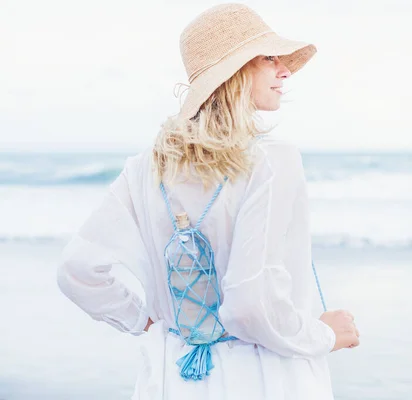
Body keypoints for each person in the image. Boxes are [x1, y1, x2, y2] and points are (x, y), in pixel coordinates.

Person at [57, 3, 359, 399]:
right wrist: (324, 334)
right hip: (264, 379)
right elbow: (251, 305)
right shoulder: (271, 160)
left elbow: (76, 271)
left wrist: (150, 323)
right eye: (269, 58)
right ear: (234, 72)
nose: (284, 70)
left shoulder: (144, 169)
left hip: (173, 377)